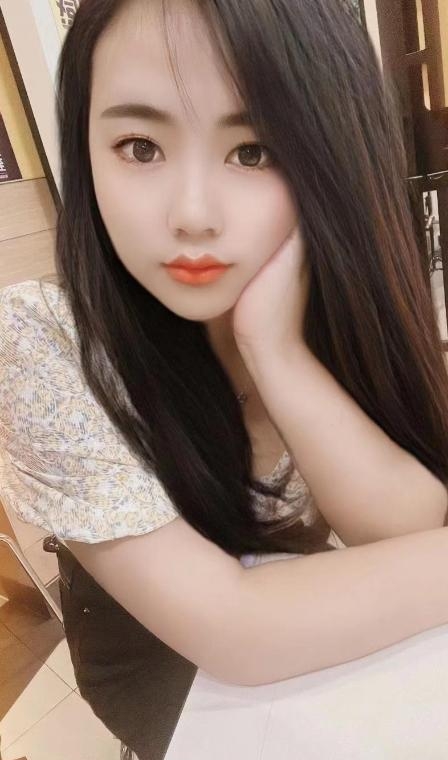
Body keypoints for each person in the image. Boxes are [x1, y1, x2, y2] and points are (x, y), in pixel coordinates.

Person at [1, 1, 448, 758]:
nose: (193, 214)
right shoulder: (40, 338)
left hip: (308, 625)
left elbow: (404, 530)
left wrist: (276, 351)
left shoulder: (323, 310)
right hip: (157, 660)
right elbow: (237, 630)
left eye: (253, 151)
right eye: (140, 146)